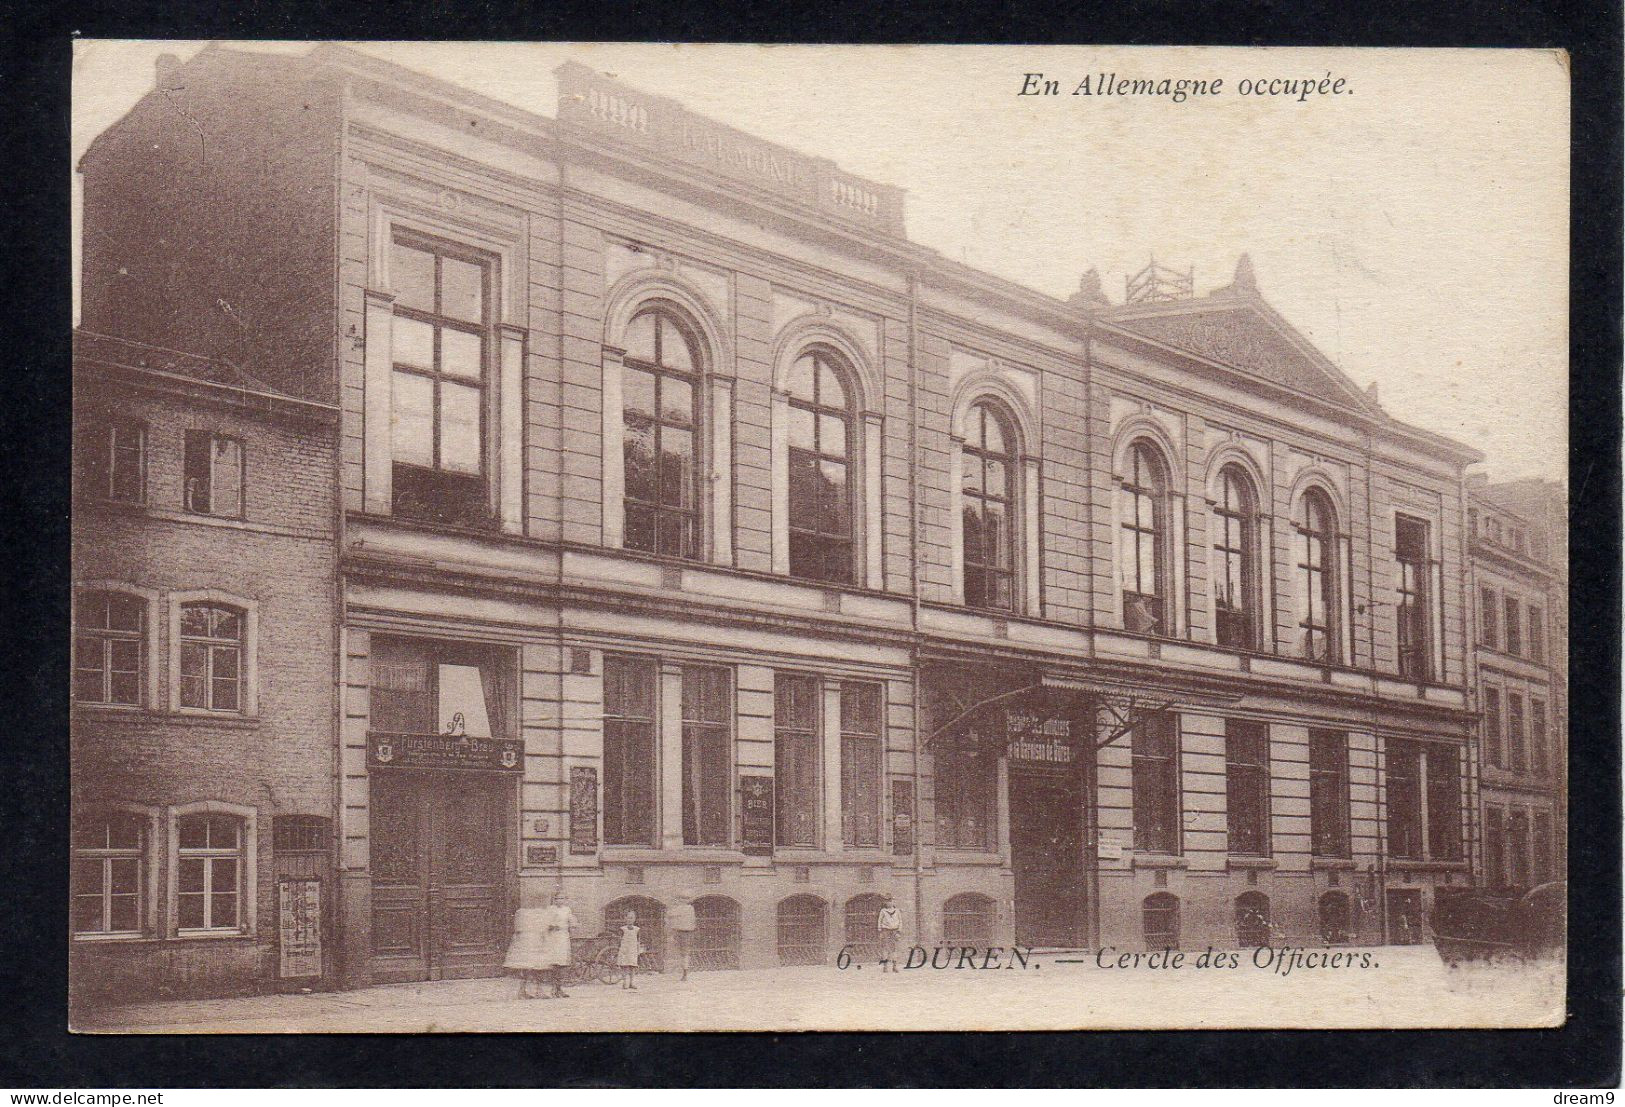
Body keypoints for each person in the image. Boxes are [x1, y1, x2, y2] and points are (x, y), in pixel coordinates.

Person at [505, 889, 575, 999]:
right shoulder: (532, 912)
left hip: (545, 940)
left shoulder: (560, 910)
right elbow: (542, 926)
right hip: (540, 941)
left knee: (539, 967)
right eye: (556, 898)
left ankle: (540, 990)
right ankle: (529, 991)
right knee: (535, 967)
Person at [668, 889, 697, 981]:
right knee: (680, 953)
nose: (683, 900)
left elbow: (671, 914)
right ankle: (681, 971)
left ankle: (685, 972)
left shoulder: (688, 908)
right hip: (678, 931)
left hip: (686, 932)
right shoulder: (681, 908)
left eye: (685, 898)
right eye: (681, 898)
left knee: (684, 953)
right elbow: (670, 915)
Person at [616, 908, 643, 990]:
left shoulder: (637, 929)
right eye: (628, 918)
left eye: (632, 918)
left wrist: (639, 949)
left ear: (635, 919)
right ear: (625, 919)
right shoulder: (622, 929)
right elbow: (619, 940)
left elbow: (638, 940)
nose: (630, 920)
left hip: (633, 950)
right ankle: (625, 982)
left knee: (633, 966)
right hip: (625, 950)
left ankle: (632, 982)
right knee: (625, 966)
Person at [876, 894, 903, 972]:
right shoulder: (883, 911)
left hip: (894, 931)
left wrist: (899, 931)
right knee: (885, 948)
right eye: (887, 901)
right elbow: (879, 921)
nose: (889, 903)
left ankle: (894, 966)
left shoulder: (897, 911)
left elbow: (900, 921)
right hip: (886, 931)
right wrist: (880, 931)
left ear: (893, 902)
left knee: (894, 949)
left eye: (891, 901)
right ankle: (885, 967)